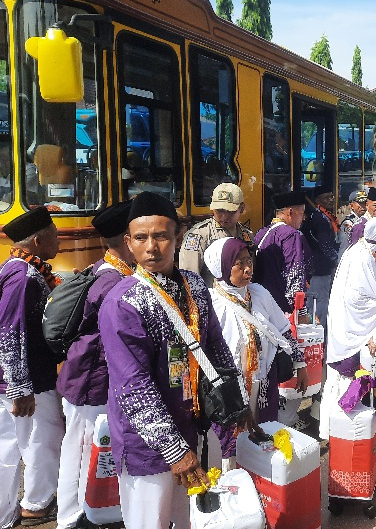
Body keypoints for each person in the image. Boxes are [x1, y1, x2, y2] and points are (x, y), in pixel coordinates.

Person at [99, 191, 253, 529]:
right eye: (141, 238)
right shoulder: (123, 303)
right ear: (129, 242)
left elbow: (216, 347)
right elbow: (133, 386)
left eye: (160, 236)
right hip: (149, 446)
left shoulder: (194, 284)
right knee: (149, 521)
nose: (151, 247)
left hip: (193, 425)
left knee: (191, 521)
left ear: (177, 237)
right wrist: (175, 451)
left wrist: (236, 404)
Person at [55, 200, 135, 529]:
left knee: (78, 446)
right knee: (83, 449)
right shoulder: (113, 282)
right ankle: (73, 517)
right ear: (126, 238)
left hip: (84, 377)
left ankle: (75, 513)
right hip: (91, 382)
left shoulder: (105, 268)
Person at [203, 237, 305, 471]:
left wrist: (300, 366)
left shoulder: (259, 294)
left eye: (249, 261)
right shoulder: (211, 304)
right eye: (239, 264)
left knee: (263, 434)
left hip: (263, 383)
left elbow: (282, 330)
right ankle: (234, 483)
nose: (248, 269)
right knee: (230, 442)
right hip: (230, 389)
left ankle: (262, 480)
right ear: (222, 267)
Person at [0, 207, 63, 528]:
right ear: (37, 241)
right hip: (31, 383)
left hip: (23, 381)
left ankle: (8, 513)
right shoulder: (24, 278)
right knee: (42, 441)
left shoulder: (20, 269)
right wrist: (20, 389)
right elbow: (10, 331)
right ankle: (36, 505)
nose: (59, 240)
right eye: (53, 236)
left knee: (11, 447)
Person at [319, 217, 376, 440]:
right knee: (344, 380)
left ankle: (330, 428)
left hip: (342, 325)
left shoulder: (358, 249)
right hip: (350, 328)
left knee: (337, 379)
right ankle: (340, 430)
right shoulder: (365, 258)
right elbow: (358, 298)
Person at [252, 190, 312, 429]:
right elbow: (295, 275)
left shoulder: (260, 233)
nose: (303, 219)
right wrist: (301, 310)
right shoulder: (291, 234)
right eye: (301, 213)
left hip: (260, 305)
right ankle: (285, 419)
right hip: (282, 309)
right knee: (288, 358)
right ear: (290, 212)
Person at [179, 183, 253, 287]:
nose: (224, 216)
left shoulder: (247, 235)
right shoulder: (200, 235)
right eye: (219, 211)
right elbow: (190, 278)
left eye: (230, 211)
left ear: (241, 209)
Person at [301, 186, 339, 329]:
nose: (331, 200)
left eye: (331, 196)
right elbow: (325, 246)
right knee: (320, 301)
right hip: (320, 269)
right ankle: (318, 332)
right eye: (327, 197)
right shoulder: (320, 219)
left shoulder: (321, 216)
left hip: (316, 268)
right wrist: (336, 262)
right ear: (318, 200)